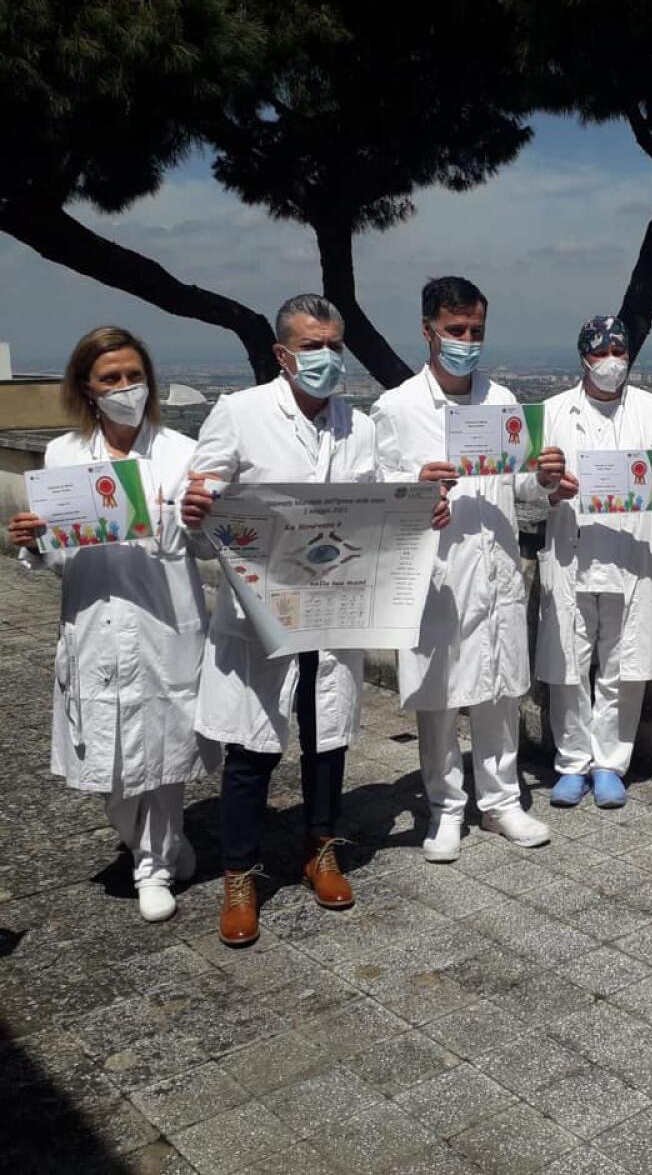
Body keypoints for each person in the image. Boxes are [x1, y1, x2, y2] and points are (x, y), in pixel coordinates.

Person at [181, 295, 439, 945]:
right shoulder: (238, 415)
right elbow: (199, 494)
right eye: (312, 346)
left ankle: (321, 846)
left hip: (333, 608)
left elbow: (383, 497)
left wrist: (423, 503)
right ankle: (241, 873)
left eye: (334, 345)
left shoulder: (360, 426)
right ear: (282, 354)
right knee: (251, 747)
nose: (326, 358)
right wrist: (194, 507)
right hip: (262, 612)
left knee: (328, 736)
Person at [7, 327, 209, 923]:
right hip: (94, 614)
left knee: (164, 749)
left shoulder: (181, 453)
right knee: (105, 751)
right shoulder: (64, 457)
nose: (126, 388)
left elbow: (202, 544)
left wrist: (193, 517)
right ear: (87, 390)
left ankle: (155, 864)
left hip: (162, 617)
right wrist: (35, 538)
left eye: (133, 375)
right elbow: (62, 551)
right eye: (110, 379)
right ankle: (145, 836)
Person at [372, 276, 562, 860]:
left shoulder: (503, 403)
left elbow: (521, 486)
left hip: (498, 565)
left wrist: (545, 477)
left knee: (500, 691)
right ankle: (445, 805)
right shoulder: (397, 408)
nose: (466, 341)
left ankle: (502, 801)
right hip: (438, 576)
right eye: (455, 330)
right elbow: (375, 494)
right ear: (428, 330)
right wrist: (412, 487)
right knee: (439, 697)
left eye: (476, 331)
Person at [535, 315, 652, 808]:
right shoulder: (553, 411)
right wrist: (546, 486)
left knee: (623, 667)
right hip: (573, 555)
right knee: (569, 665)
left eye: (618, 352)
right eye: (601, 353)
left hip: (633, 557)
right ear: (583, 357)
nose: (610, 362)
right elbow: (528, 482)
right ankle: (571, 763)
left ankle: (610, 765)